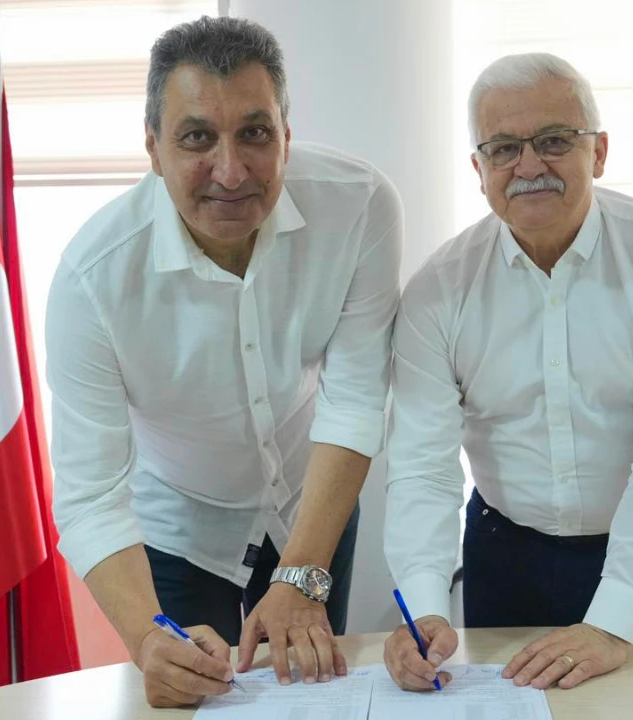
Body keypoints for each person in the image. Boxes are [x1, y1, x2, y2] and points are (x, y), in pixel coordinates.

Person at [46, 16, 401, 708]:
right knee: (193, 695)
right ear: (152, 147)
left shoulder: (360, 206)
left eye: (255, 133)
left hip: (311, 501)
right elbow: (90, 496)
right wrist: (148, 640)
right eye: (197, 137)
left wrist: (301, 574)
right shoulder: (93, 278)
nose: (231, 172)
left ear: (287, 135)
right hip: (179, 522)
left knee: (314, 698)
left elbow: (356, 397)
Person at [382, 53, 633, 693]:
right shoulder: (437, 290)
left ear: (599, 152)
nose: (529, 165)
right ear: (479, 170)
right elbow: (423, 467)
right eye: (504, 148)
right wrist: (424, 608)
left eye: (554, 140)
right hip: (505, 554)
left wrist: (611, 624)